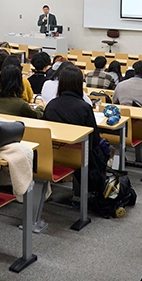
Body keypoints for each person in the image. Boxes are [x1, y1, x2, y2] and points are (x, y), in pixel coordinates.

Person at [43, 65, 106, 194]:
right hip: (78, 157)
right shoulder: (84, 107)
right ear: (79, 84)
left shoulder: (51, 105)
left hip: (53, 155)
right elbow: (94, 139)